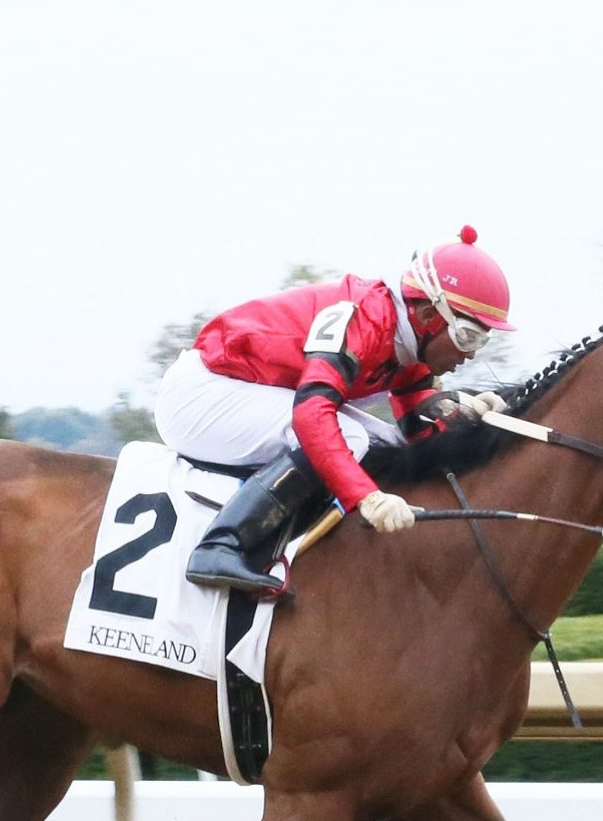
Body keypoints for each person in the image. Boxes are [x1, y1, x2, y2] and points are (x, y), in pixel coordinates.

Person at [153, 226, 516, 594]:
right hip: (202, 394)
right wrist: (367, 498)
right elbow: (312, 415)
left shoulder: (410, 342)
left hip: (252, 390)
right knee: (351, 437)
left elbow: (411, 424)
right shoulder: (366, 321)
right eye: (468, 336)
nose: (470, 353)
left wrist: (461, 412)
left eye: (483, 341)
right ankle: (222, 544)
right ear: (427, 315)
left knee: (387, 443)